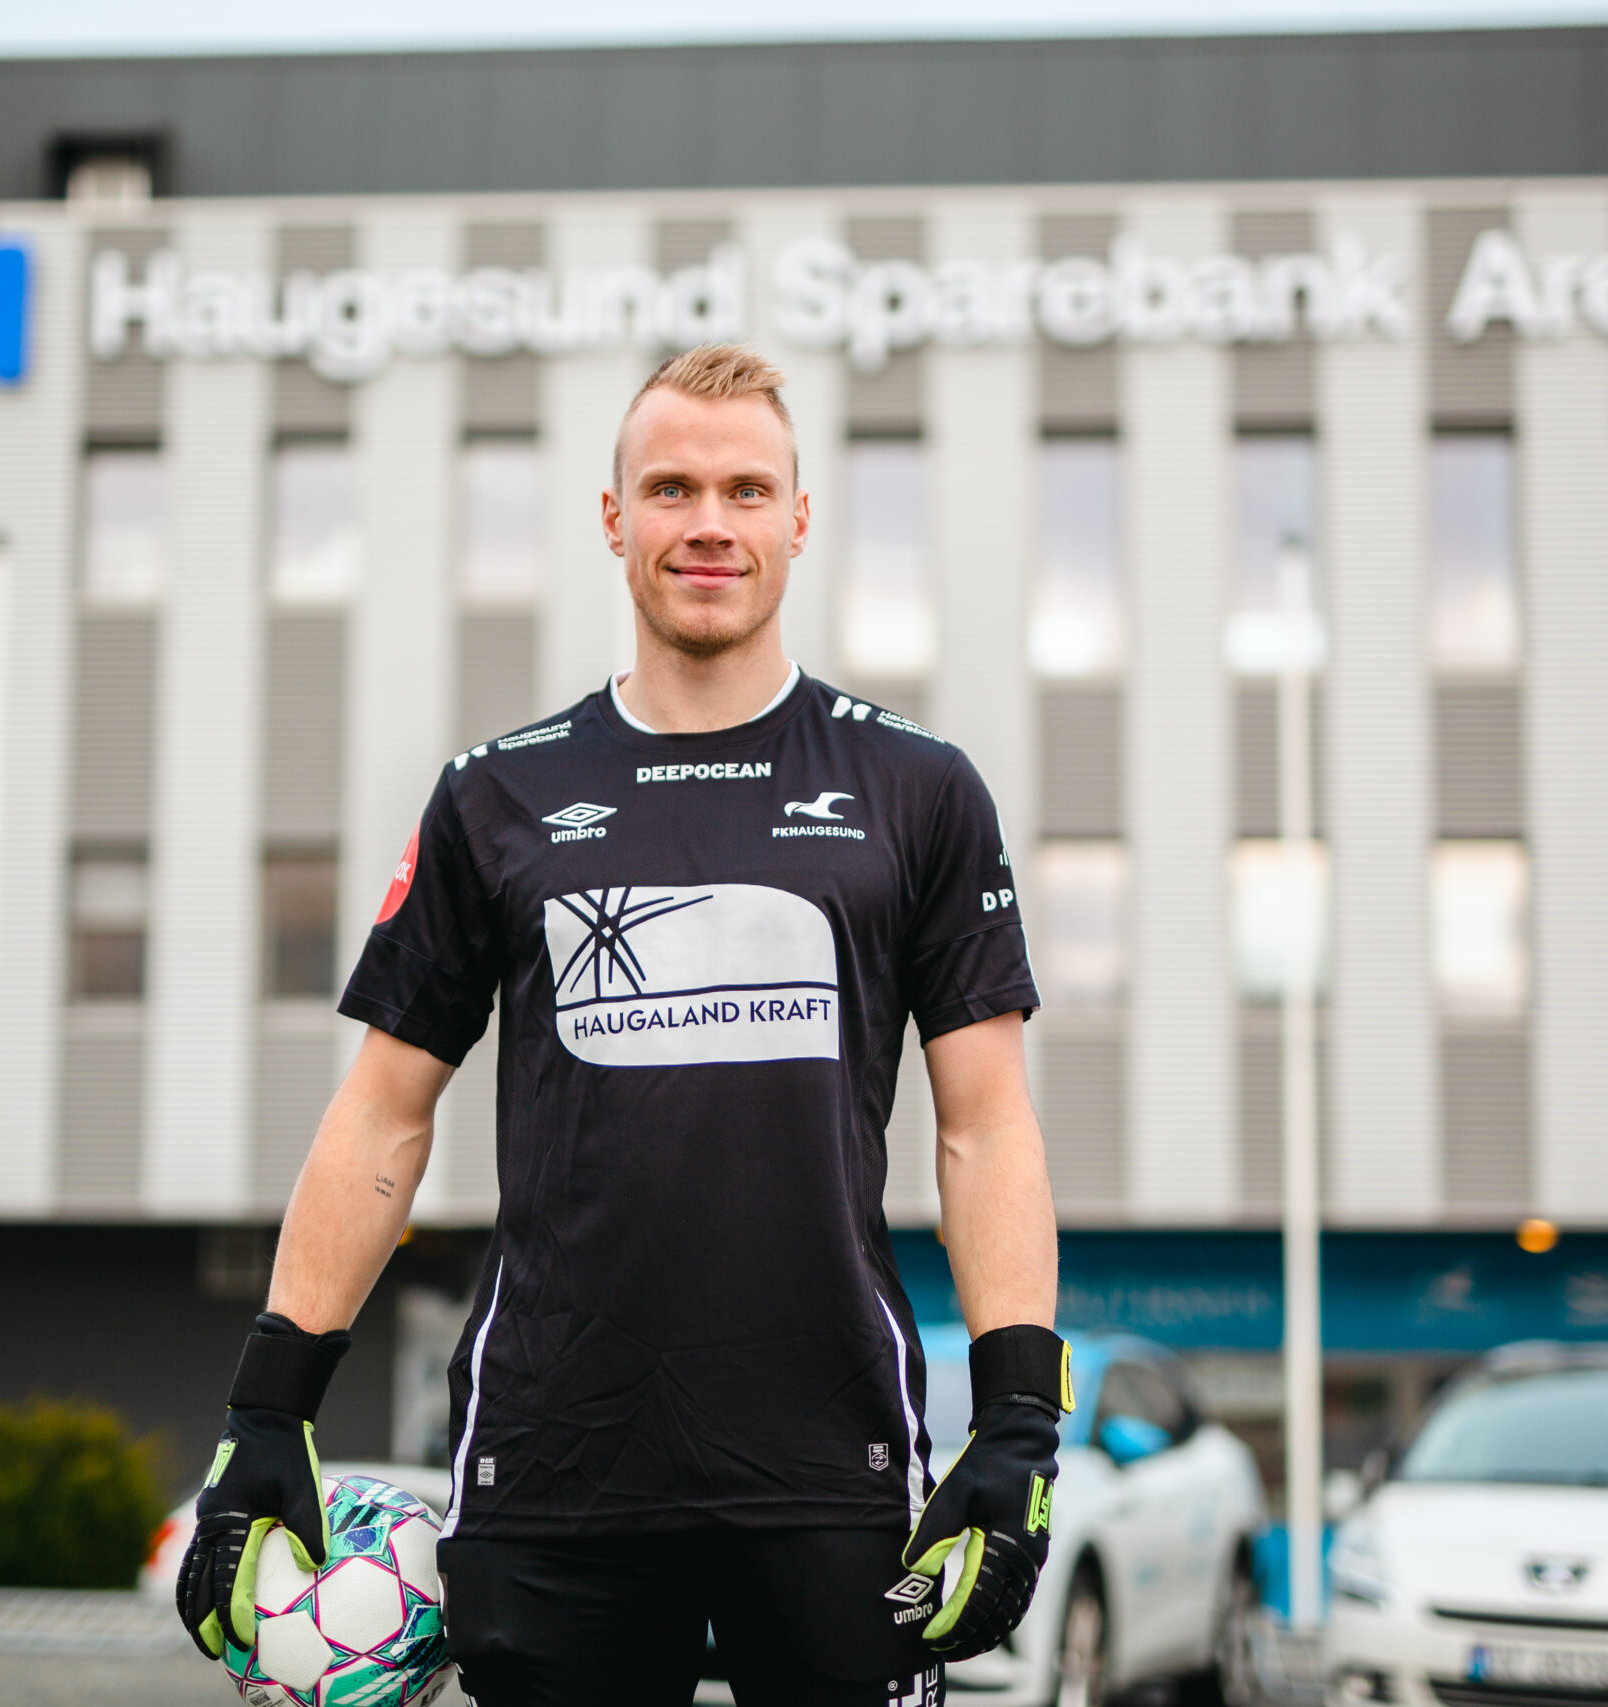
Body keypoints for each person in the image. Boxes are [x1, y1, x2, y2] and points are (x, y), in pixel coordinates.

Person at [176, 344, 1066, 1707]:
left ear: (798, 520)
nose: (710, 521)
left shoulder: (919, 790)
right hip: (551, 1468)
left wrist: (1017, 1428)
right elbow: (382, 1115)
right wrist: (264, 1410)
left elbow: (987, 1127)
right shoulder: (496, 798)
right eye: (671, 487)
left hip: (830, 1468)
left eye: (746, 490)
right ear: (614, 520)